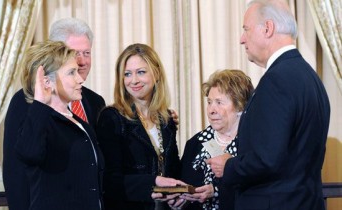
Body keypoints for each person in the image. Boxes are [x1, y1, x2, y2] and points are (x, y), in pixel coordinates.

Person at [206, 1, 330, 210]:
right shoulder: (310, 77)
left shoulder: (277, 80)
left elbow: (267, 159)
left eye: (246, 29)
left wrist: (229, 166)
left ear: (268, 28)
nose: (241, 39)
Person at [3, 18, 105, 210]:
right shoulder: (26, 102)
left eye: (86, 53)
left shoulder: (94, 102)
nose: (82, 61)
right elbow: (17, 169)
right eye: (74, 55)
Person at [96, 43, 184, 210]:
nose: (134, 80)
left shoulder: (167, 119)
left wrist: (178, 194)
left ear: (156, 73)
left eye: (141, 72)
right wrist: (152, 183)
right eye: (127, 74)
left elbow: (173, 168)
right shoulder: (112, 118)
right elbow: (109, 180)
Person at [171, 70, 253, 210]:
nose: (211, 110)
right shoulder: (195, 143)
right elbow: (182, 185)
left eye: (219, 102)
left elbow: (257, 190)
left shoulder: (253, 144)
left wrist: (216, 191)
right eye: (209, 102)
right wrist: (180, 199)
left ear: (240, 106)